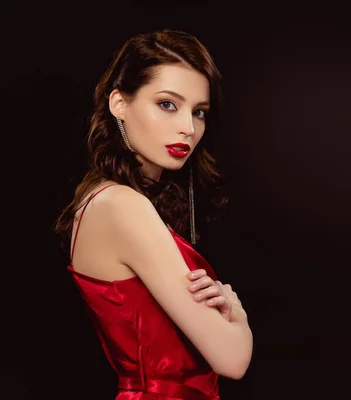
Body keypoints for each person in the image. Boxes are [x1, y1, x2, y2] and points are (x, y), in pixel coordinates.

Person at [54, 29, 253, 399]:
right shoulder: (122, 206)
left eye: (199, 112)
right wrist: (238, 317)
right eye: (167, 104)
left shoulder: (101, 198)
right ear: (119, 103)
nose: (188, 128)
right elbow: (233, 359)